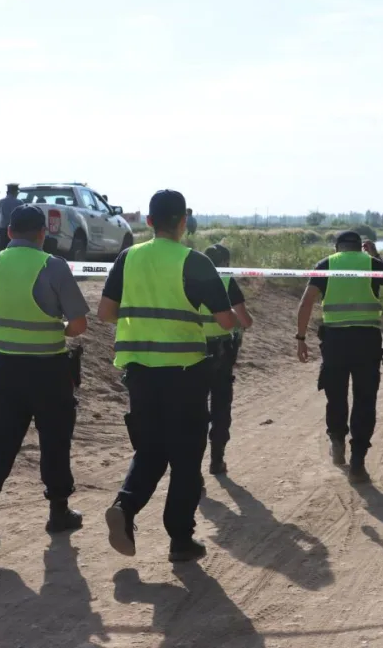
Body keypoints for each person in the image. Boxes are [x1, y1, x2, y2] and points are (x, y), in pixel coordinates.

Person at [97, 189, 237, 562]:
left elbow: (105, 312)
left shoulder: (128, 257)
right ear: (183, 222)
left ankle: (125, 508)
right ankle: (180, 539)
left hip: (140, 371)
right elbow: (226, 320)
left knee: (151, 448)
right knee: (187, 457)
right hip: (186, 373)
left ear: (148, 221)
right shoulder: (194, 262)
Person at [0, 204, 91, 546]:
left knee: (1, 437)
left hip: (3, 367)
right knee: (54, 437)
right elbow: (78, 325)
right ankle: (58, 511)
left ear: (8, 232)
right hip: (48, 368)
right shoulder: (54, 266)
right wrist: (56, 328)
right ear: (42, 234)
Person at [295, 231, 383, 484]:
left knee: (335, 395)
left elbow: (306, 303)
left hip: (335, 342)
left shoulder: (327, 264)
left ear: (337, 247)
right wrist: (375, 255)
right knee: (365, 399)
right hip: (366, 341)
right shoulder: (370, 263)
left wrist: (301, 338)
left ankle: (337, 440)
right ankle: (358, 461)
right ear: (359, 247)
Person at [200, 243, 254, 476]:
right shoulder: (226, 281)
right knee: (220, 407)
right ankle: (216, 460)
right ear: (225, 263)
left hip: (191, 351)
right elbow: (245, 319)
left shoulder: (188, 280)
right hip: (220, 353)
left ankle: (193, 470)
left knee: (194, 410)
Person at [0, 183, 24, 250]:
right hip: (15, 227)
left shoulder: (1, 201)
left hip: (3, 227)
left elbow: (1, 212)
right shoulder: (19, 202)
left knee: (3, 246)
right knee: (15, 247)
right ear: (15, 192)